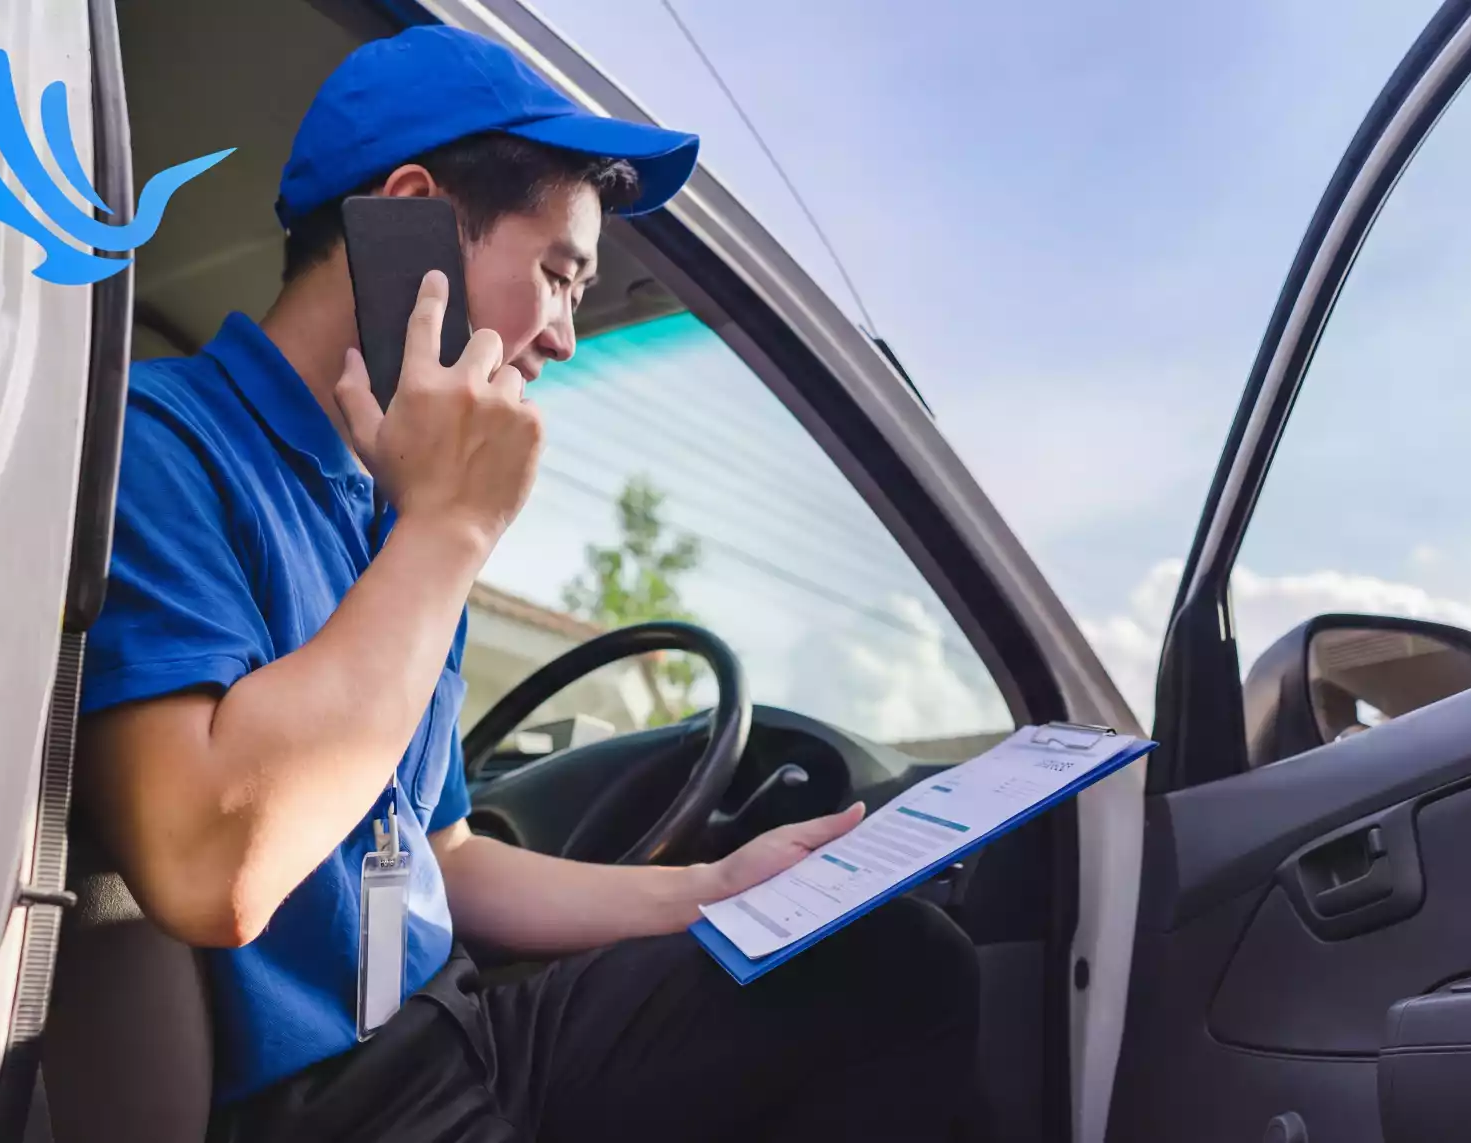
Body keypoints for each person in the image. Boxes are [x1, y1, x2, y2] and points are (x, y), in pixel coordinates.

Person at [75, 25, 982, 1143]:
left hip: (457, 1032)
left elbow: (441, 855)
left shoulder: (392, 510)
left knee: (894, 966)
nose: (561, 335)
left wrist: (710, 890)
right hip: (331, 1107)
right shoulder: (162, 448)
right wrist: (450, 532)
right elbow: (210, 869)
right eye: (559, 276)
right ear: (410, 218)